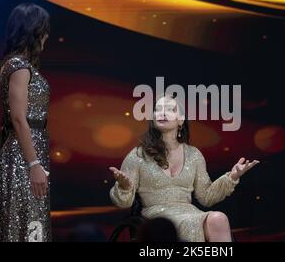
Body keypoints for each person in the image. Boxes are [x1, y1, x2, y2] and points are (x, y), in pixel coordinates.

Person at [109, 95, 259, 242]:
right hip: (156, 217)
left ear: (180, 119)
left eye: (170, 109)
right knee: (186, 223)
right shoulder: (137, 155)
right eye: (158, 109)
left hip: (189, 212)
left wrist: (232, 177)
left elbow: (206, 197)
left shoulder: (194, 155)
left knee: (219, 218)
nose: (162, 113)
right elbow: (123, 203)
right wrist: (124, 187)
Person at [0, 3, 52, 242]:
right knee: (25, 221)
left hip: (28, 150)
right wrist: (33, 163)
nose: (46, 36)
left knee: (27, 219)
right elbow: (17, 117)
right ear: (33, 31)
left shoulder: (15, 64)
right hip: (22, 155)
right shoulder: (19, 67)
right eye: (43, 30)